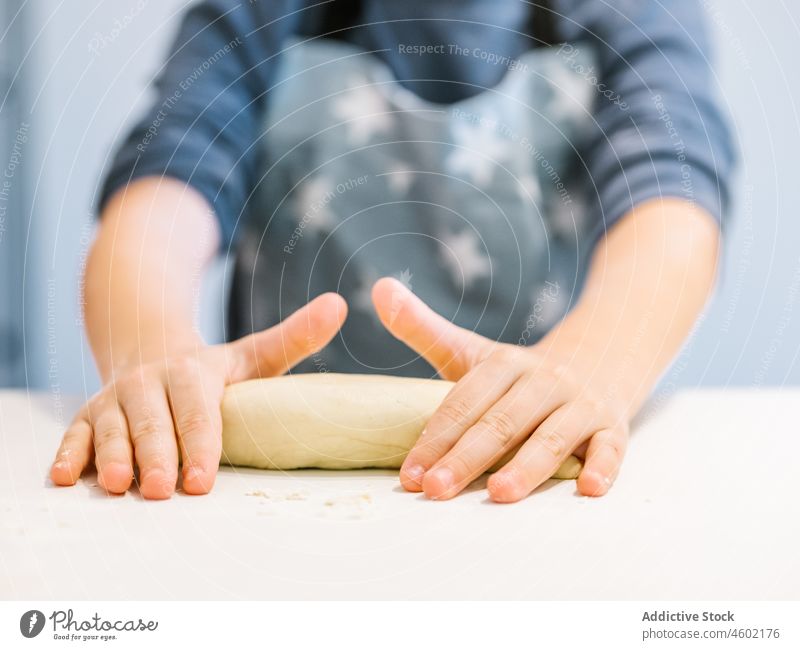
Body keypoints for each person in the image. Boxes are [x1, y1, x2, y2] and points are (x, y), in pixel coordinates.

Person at [50, 0, 735, 502]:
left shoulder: (637, 12)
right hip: (264, 495)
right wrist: (151, 352)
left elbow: (671, 203)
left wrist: (596, 360)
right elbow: (162, 194)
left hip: (530, 483)